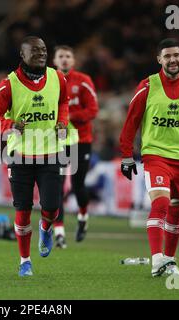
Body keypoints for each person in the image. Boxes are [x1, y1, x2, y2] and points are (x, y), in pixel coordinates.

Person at [119, 38, 179, 277]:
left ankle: (169, 260)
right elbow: (131, 122)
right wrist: (127, 155)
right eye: (167, 56)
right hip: (156, 156)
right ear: (159, 59)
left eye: (176, 55)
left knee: (177, 210)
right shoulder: (148, 86)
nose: (172, 60)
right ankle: (156, 259)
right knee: (161, 203)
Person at [0, 36, 69, 277]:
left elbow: (63, 103)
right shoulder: (9, 84)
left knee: (52, 208)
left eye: (43, 50)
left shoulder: (58, 78)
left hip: (51, 153)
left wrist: (62, 122)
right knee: (22, 210)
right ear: (22, 56)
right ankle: (25, 261)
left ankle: (46, 228)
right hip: (21, 156)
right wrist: (10, 125)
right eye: (34, 51)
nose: (41, 54)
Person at [52, 45, 99, 248]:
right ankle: (59, 232)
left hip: (81, 141)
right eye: (60, 56)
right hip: (57, 142)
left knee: (78, 185)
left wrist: (69, 116)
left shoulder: (83, 81)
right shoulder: (48, 81)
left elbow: (93, 109)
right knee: (57, 186)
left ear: (73, 60)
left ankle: (83, 217)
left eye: (68, 56)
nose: (64, 59)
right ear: (54, 61)